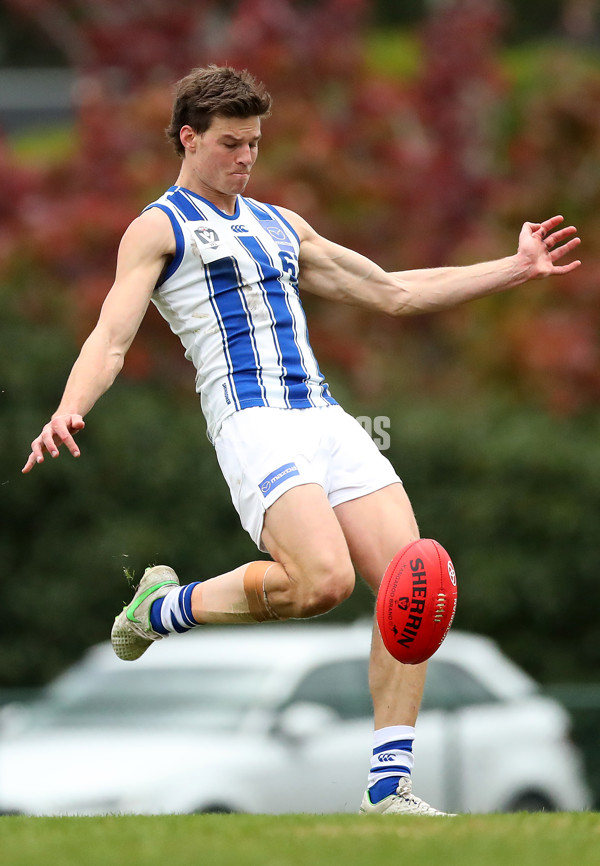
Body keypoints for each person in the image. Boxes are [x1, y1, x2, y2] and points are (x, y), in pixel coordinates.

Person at [22, 65, 581, 816]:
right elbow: (112, 335)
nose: (245, 158)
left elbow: (391, 290)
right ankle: (163, 607)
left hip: (325, 419)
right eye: (229, 143)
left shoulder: (281, 224)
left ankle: (390, 789)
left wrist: (512, 269)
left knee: (413, 585)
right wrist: (69, 405)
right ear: (188, 138)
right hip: (253, 424)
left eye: (253, 143)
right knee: (322, 584)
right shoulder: (160, 227)